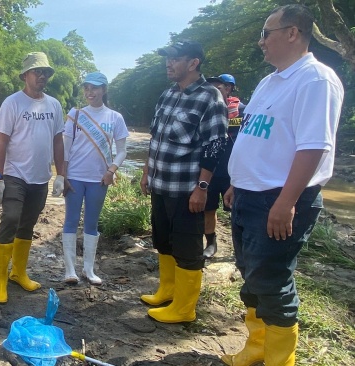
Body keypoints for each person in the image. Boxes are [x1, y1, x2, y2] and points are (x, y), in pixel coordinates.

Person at [221, 5, 344, 366]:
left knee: (273, 280)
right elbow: (256, 136)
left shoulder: (315, 79)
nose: (261, 41)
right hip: (248, 195)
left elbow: (313, 146)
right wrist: (237, 183)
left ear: (292, 33)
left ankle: (280, 360)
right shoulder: (270, 80)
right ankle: (257, 347)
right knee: (251, 274)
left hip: (280, 198)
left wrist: (286, 202)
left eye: (266, 33)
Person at [139, 40, 228, 324]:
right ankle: (168, 290)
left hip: (187, 190)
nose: (169, 63)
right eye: (167, 58)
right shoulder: (167, 95)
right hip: (160, 184)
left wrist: (202, 188)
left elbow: (215, 146)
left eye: (175, 58)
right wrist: (145, 172)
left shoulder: (210, 97)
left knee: (188, 248)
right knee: (163, 240)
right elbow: (156, 139)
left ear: (193, 63)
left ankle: (185, 309)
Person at [0, 52, 66, 304]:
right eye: (37, 71)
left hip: (40, 177)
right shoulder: (12, 103)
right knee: (10, 219)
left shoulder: (54, 105)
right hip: (14, 175)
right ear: (25, 75)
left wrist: (60, 175)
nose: (42, 76)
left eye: (45, 72)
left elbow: (57, 140)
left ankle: (18, 273)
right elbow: (1, 141)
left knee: (28, 225)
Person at [61, 72, 128, 285]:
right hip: (74, 177)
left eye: (95, 88)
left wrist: (112, 171)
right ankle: (70, 270)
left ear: (104, 90)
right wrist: (61, 175)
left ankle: (89, 270)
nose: (90, 92)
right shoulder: (76, 114)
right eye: (87, 88)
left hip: (99, 179)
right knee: (70, 221)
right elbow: (65, 147)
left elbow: (122, 150)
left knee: (92, 223)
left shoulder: (115, 117)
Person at [202, 74, 246, 258]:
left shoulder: (244, 111)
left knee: (238, 210)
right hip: (210, 170)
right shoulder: (205, 110)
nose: (213, 92)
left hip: (234, 172)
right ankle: (211, 243)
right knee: (208, 209)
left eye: (218, 88)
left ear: (228, 88)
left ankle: (242, 248)